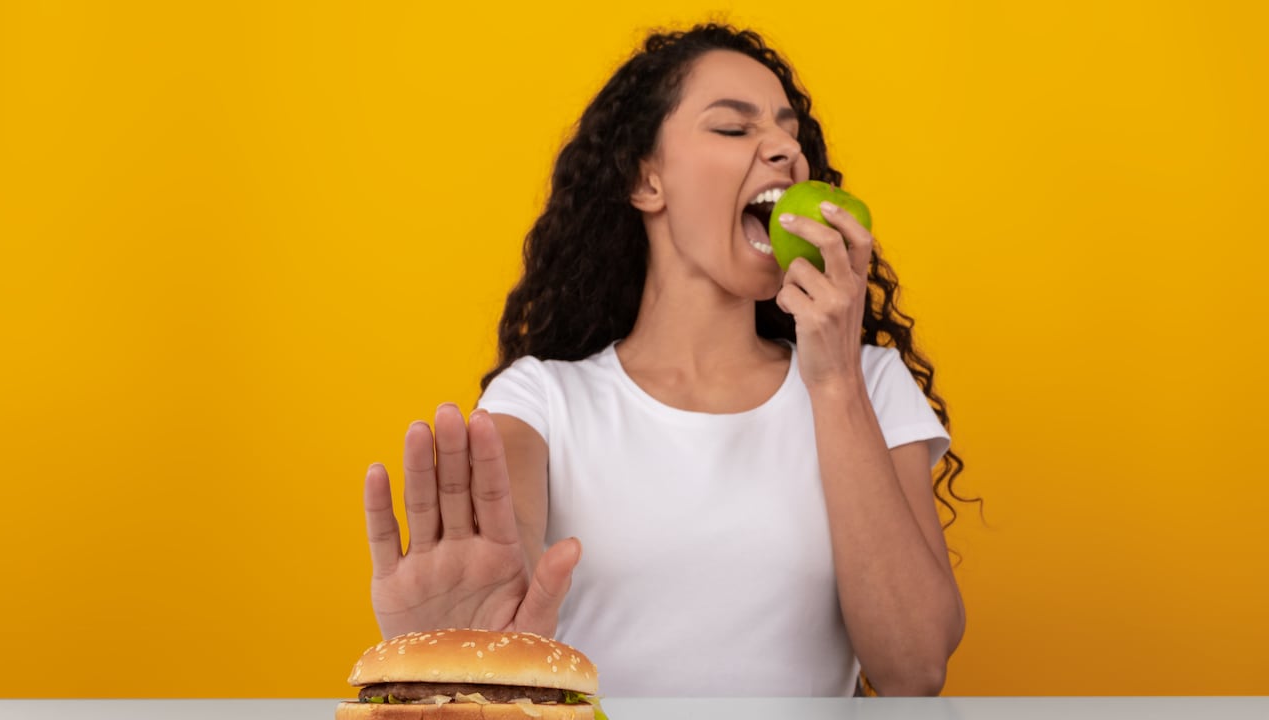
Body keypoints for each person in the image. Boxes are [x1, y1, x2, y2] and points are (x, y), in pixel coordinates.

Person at [362, 23, 975, 698]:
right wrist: (463, 644)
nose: (785, 150)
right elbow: (503, 553)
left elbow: (914, 669)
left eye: (790, 134)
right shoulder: (541, 401)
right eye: (734, 128)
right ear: (645, 179)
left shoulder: (868, 385)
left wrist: (834, 384)